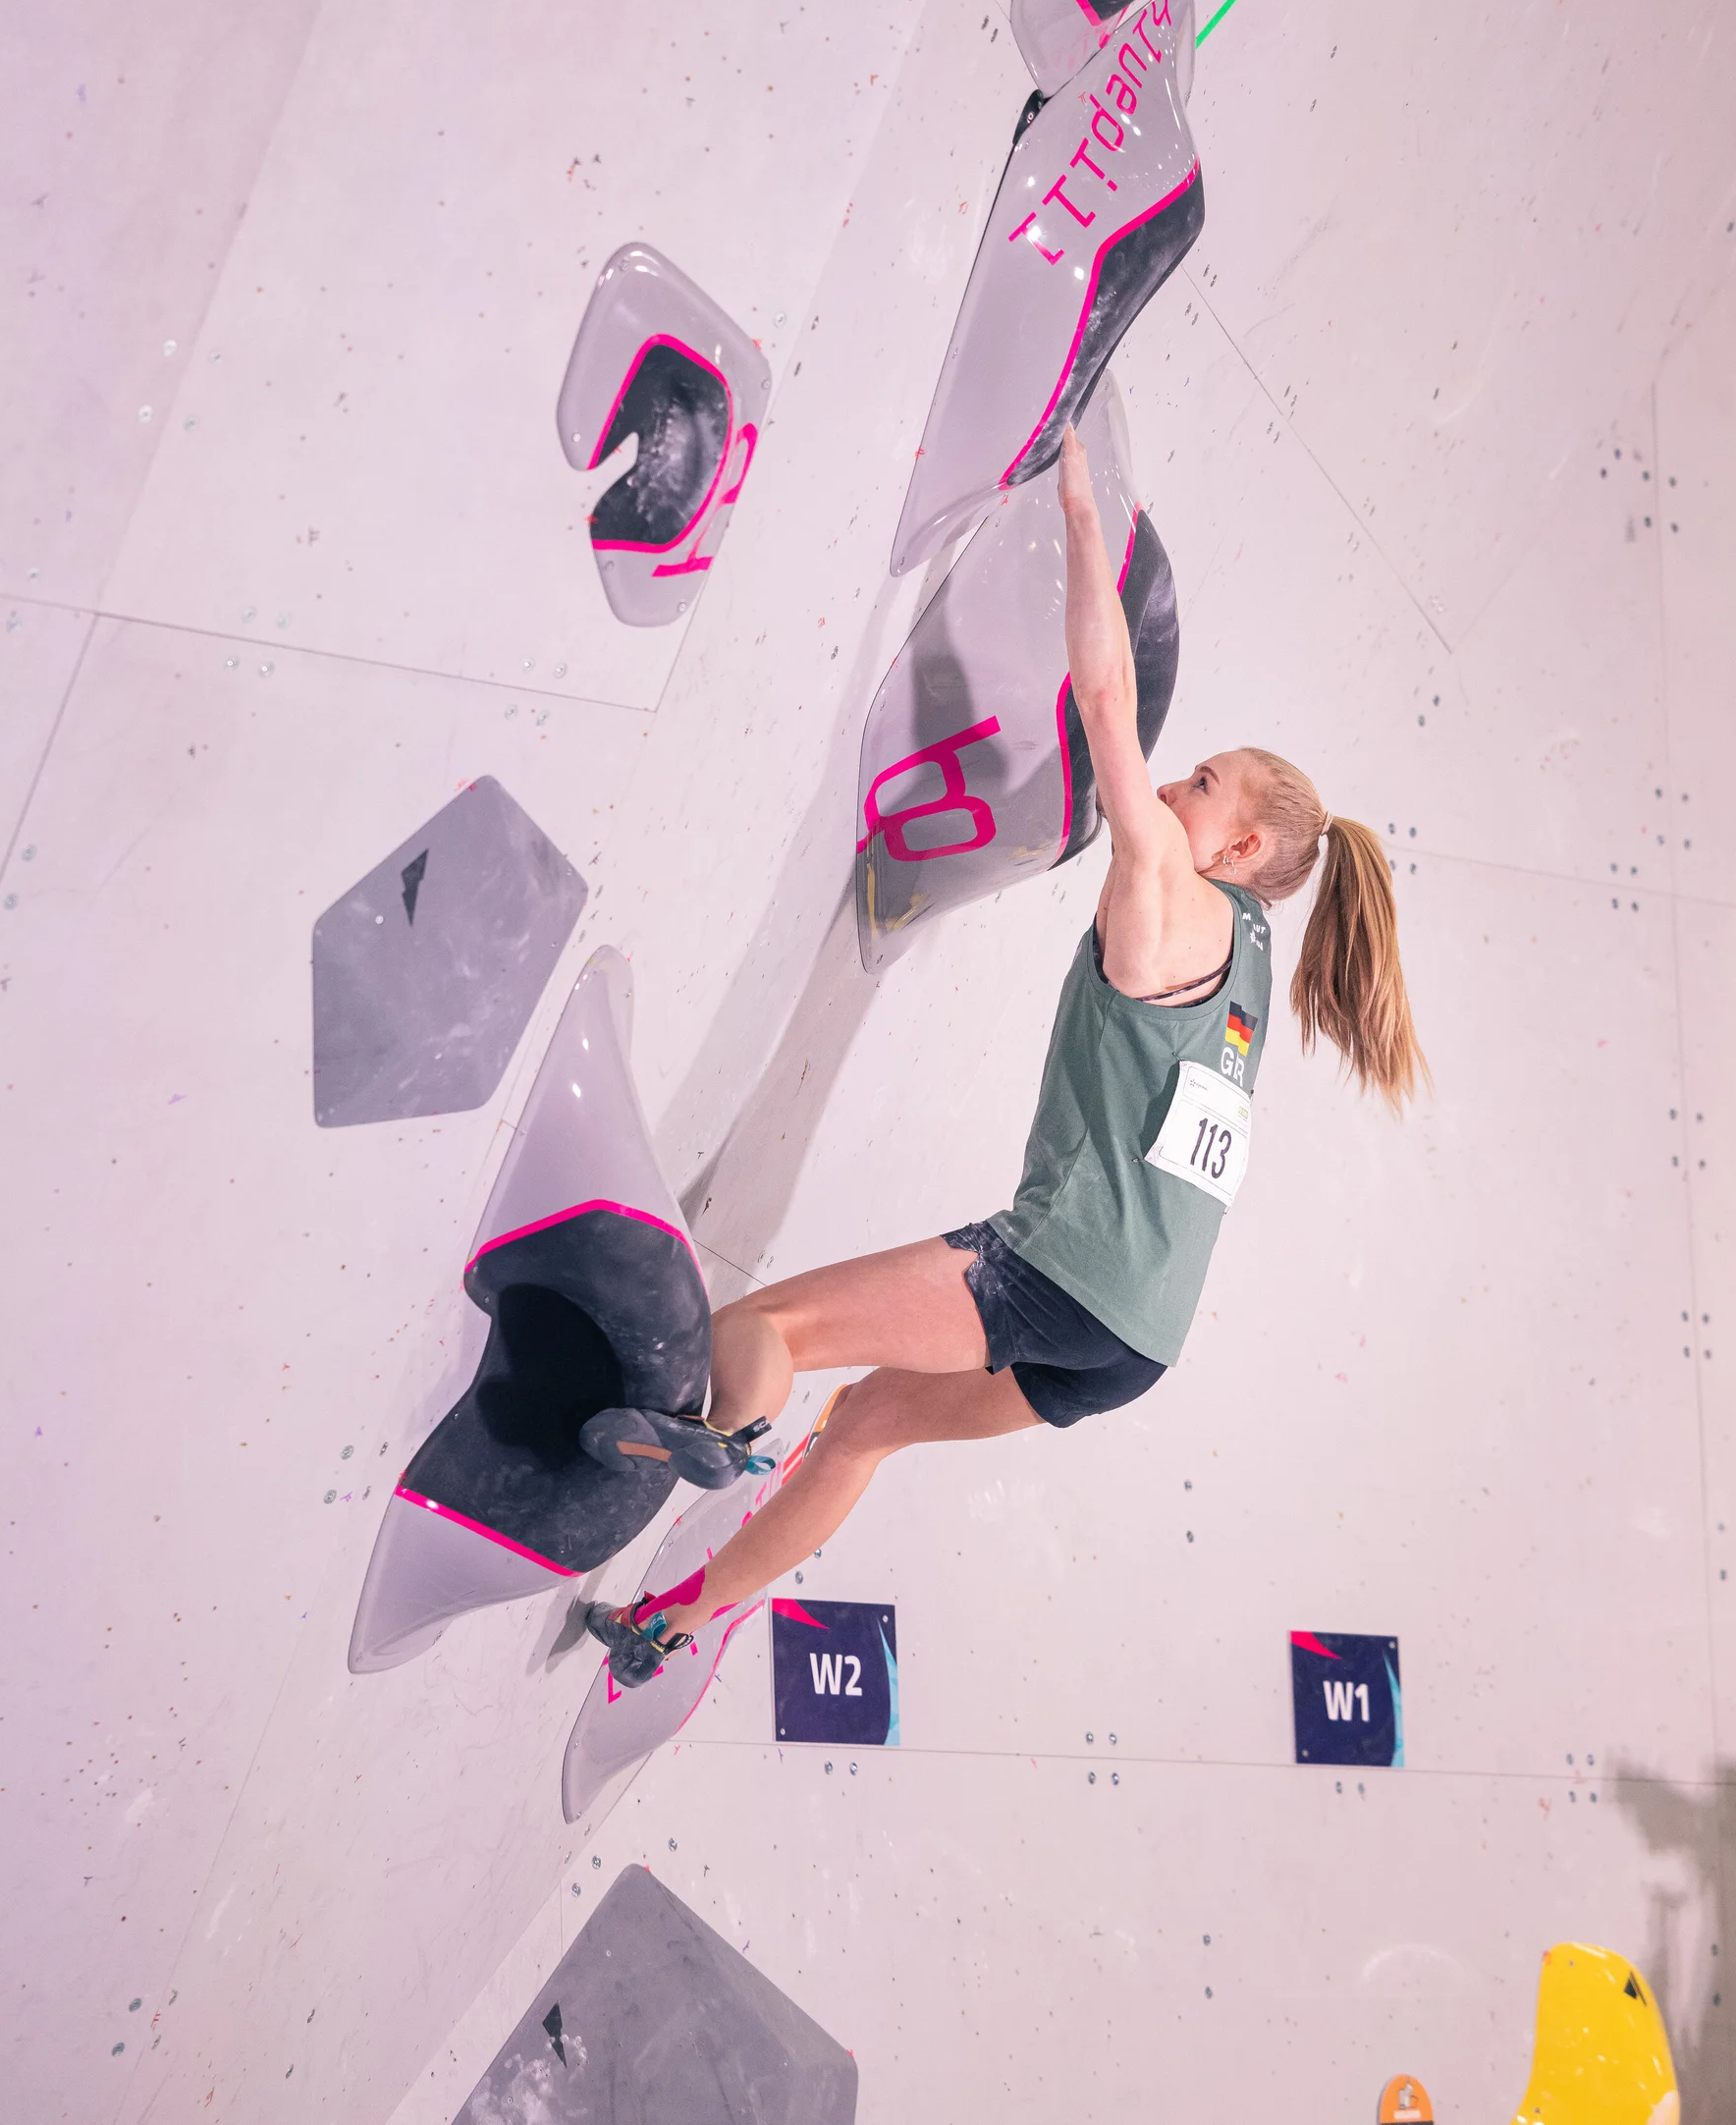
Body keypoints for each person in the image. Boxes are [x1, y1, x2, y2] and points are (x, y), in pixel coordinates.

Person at [581, 423, 1427, 1689]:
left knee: (768, 1326)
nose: (1173, 791)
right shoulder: (1251, 953)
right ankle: (665, 1626)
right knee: (865, 1426)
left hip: (1060, 1277)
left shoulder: (1173, 886)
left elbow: (1106, 702)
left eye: (1202, 783)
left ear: (1243, 848)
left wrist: (1080, 514)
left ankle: (719, 1432)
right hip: (1136, 1344)